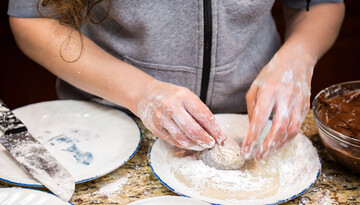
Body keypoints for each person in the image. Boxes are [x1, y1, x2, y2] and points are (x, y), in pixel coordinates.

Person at [8, 0, 344, 160]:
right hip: (110, 132)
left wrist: (298, 56)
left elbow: (320, 5)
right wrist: (143, 93)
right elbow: (32, 20)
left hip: (253, 126)